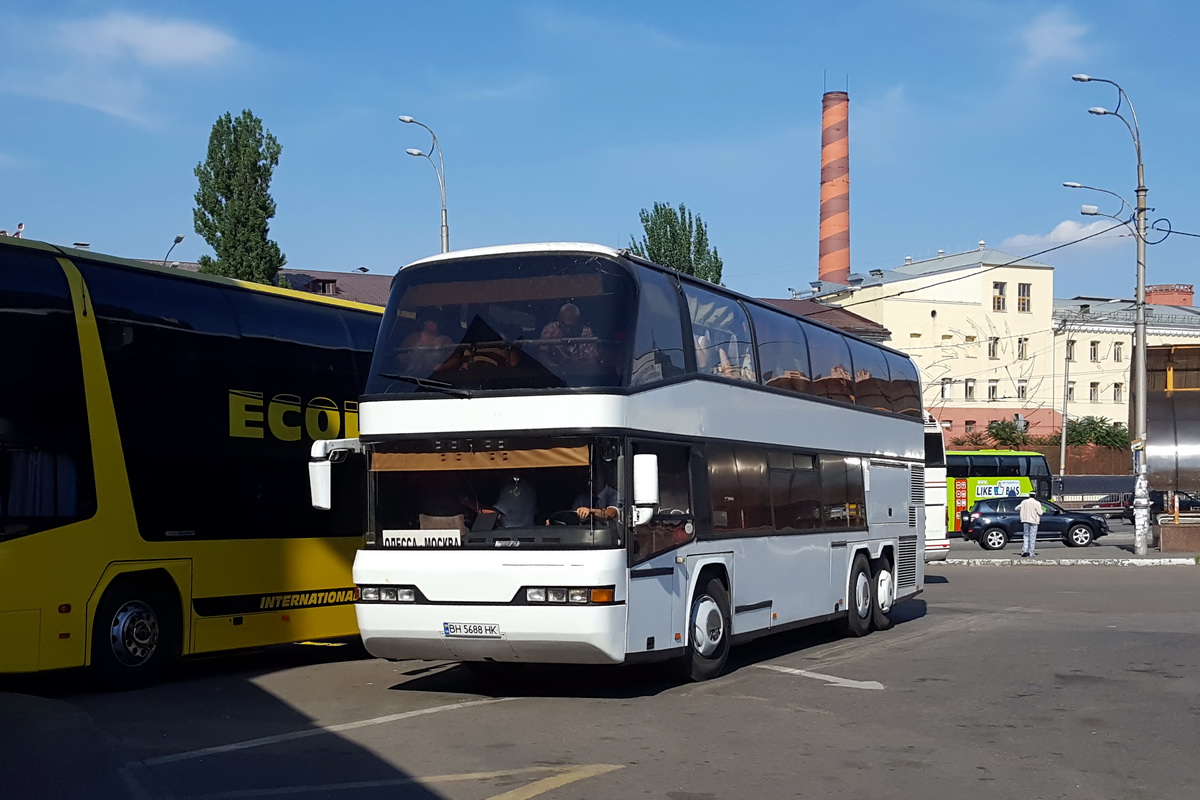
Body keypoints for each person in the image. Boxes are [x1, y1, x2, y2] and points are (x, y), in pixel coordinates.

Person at [539, 303, 598, 367]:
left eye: (572, 327)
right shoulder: (550, 330)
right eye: (565, 325)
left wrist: (573, 365)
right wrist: (555, 368)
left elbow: (593, 361)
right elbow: (543, 356)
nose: (568, 330)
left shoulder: (587, 333)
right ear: (559, 321)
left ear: (578, 323)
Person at [1017, 490, 1043, 557]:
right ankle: (1031, 552)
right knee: (1032, 537)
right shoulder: (1037, 503)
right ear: (1035, 496)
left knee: (1026, 536)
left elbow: (1016, 508)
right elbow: (1040, 512)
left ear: (1029, 495)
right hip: (1034, 521)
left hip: (1025, 520)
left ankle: (1025, 551)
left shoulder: (1024, 502)